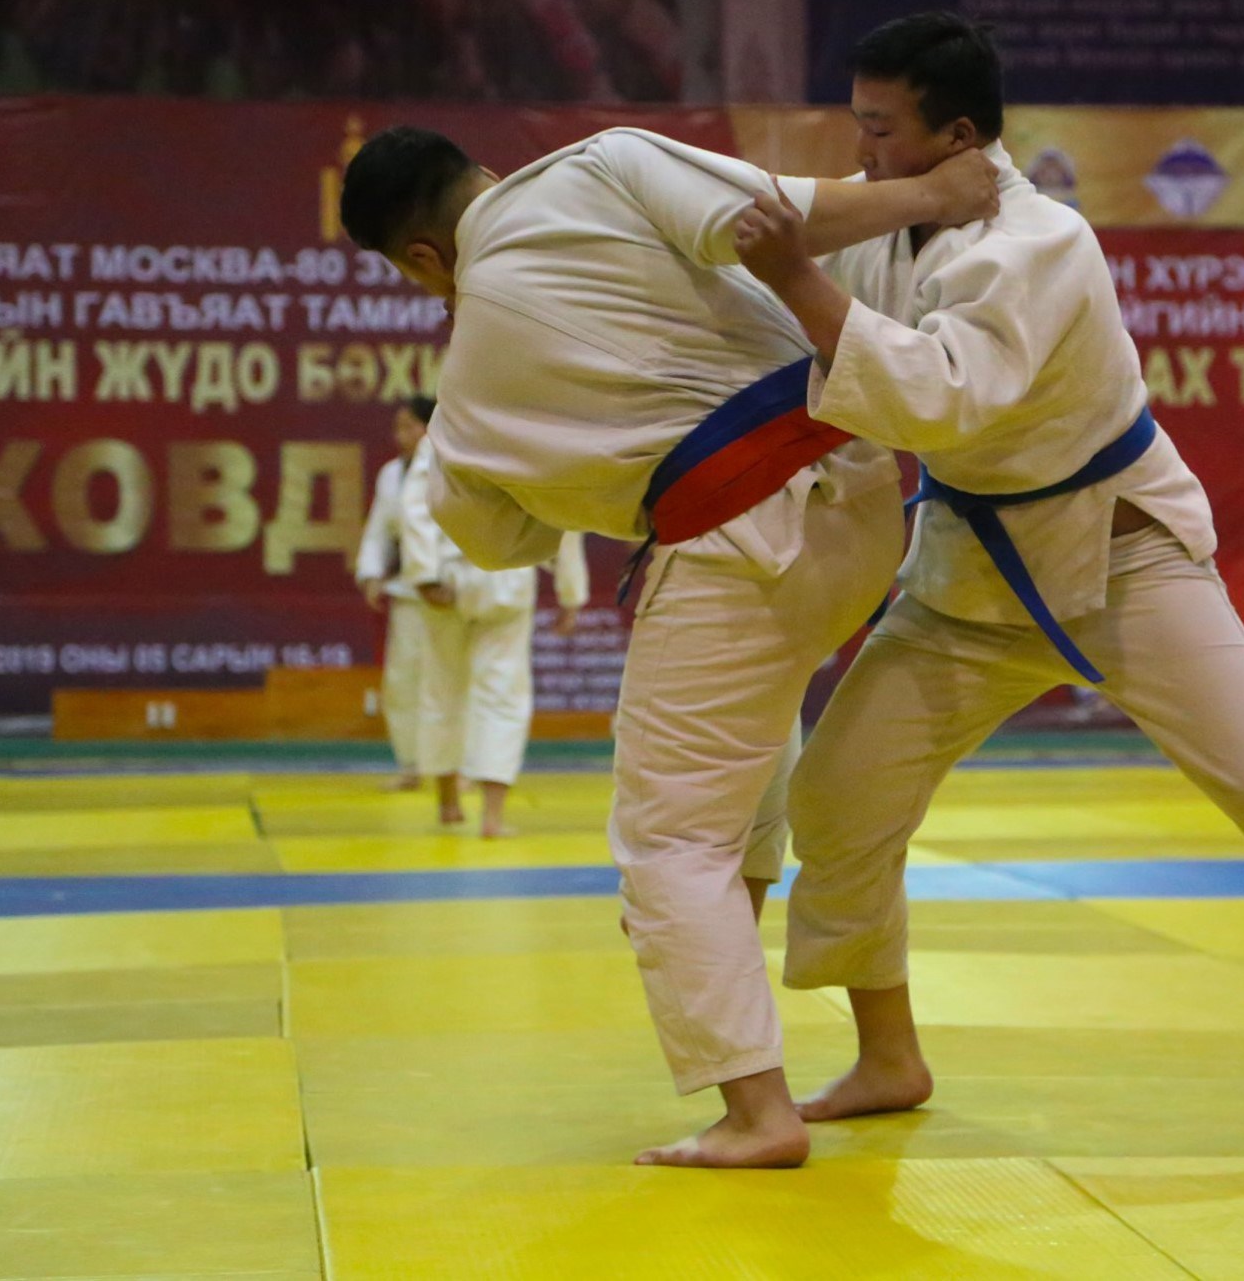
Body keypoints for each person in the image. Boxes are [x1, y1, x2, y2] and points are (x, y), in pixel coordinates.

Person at [730, 13, 1244, 1123]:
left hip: (1122, 558)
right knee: (839, 798)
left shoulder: (1041, 243)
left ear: (957, 136)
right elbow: (794, 251)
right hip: (970, 575)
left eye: (880, 130)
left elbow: (938, 397)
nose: (861, 151)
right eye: (857, 125)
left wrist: (795, 277)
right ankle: (889, 1057)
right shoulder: (889, 226)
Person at [339, 123, 998, 1167]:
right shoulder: (600, 164)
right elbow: (783, 212)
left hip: (740, 552)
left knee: (668, 846)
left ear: (421, 259)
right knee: (746, 789)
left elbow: (503, 541)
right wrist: (934, 194)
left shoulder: (463, 391)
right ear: (485, 172)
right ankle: (885, 1052)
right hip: (865, 493)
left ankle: (757, 1113)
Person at [394, 396, 536, 839]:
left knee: (442, 688)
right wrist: (571, 589)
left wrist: (423, 574)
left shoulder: (446, 426)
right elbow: (558, 511)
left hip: (450, 577)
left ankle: (449, 804)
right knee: (503, 693)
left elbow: (416, 505)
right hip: (508, 576)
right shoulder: (532, 430)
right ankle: (492, 816)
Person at [355, 398, 432, 790]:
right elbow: (379, 529)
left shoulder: (456, 469)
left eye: (410, 426)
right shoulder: (391, 474)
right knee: (402, 682)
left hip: (454, 590)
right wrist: (372, 573)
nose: (401, 435)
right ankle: (411, 765)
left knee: (453, 683)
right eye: (398, 427)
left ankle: (461, 769)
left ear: (430, 428)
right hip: (408, 590)